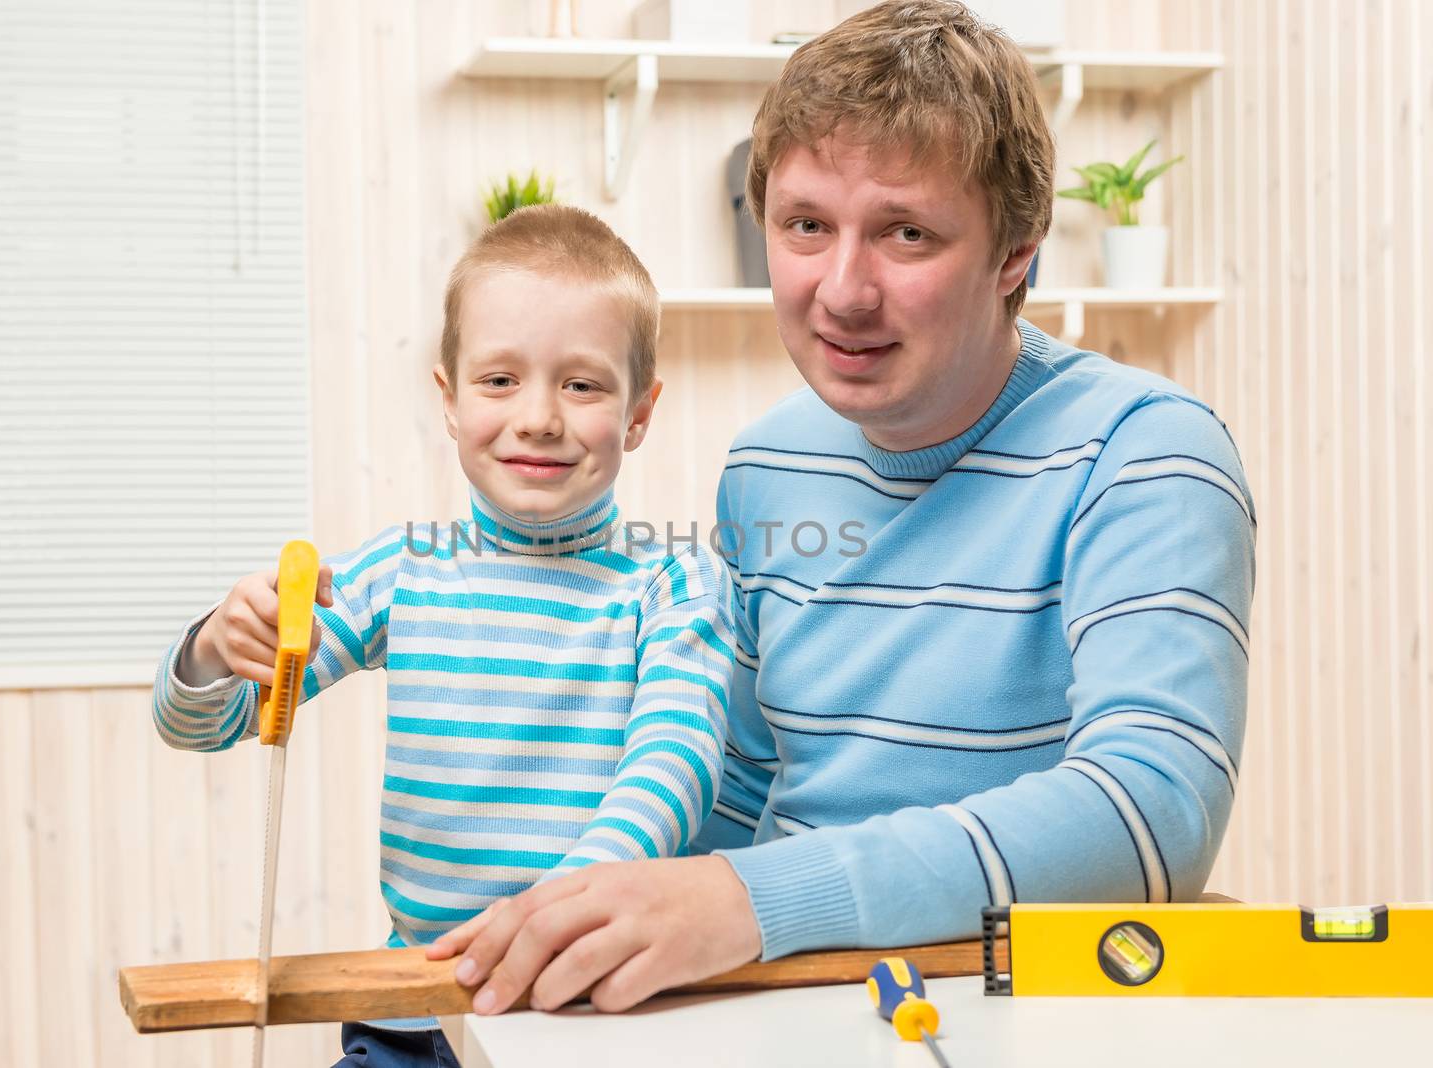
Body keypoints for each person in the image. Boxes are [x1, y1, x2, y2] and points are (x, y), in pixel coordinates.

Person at [427, 0, 1255, 1019]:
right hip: (785, 999)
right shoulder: (765, 463)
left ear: (1015, 255)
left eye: (906, 233)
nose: (842, 292)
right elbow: (736, 789)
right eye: (804, 227)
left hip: (1018, 1012)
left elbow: (1151, 813)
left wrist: (754, 899)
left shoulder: (1146, 450)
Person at [151, 204, 734, 1067]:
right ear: (451, 402)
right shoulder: (402, 572)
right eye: (500, 381)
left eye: (582, 384)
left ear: (639, 413)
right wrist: (215, 647)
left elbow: (672, 775)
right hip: (413, 1012)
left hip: (586, 1007)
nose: (538, 417)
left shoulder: (673, 585)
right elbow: (205, 723)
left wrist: (547, 928)